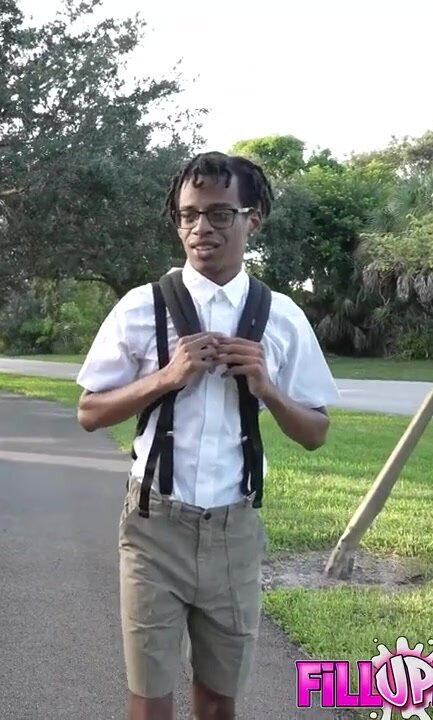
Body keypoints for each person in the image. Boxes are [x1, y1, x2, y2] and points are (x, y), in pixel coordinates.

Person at [75, 151, 339, 720]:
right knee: (149, 696)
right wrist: (166, 378)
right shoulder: (141, 307)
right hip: (154, 525)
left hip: (234, 530)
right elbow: (91, 412)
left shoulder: (282, 316)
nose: (201, 228)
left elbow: (316, 431)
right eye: (188, 215)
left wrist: (267, 388)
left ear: (253, 219)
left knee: (220, 699)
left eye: (220, 214)